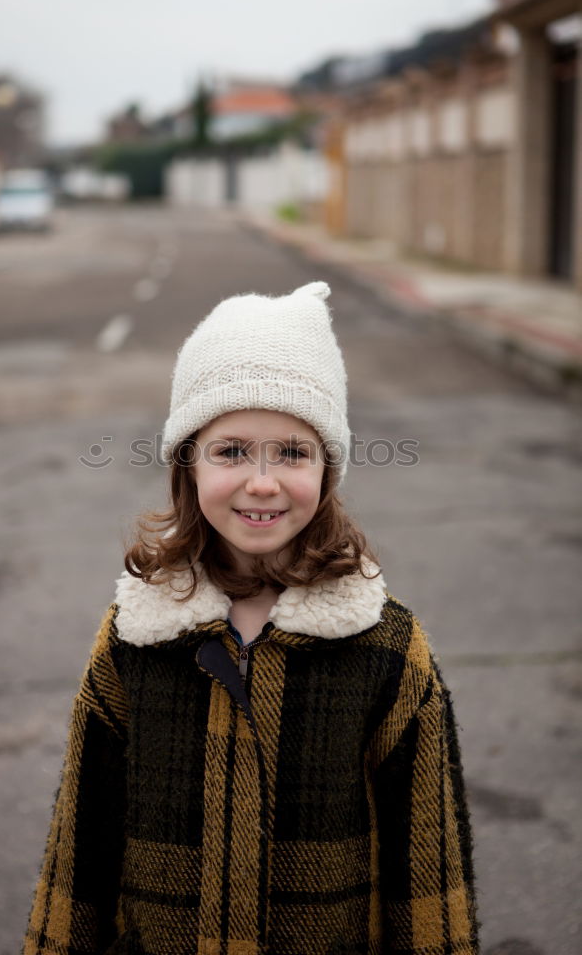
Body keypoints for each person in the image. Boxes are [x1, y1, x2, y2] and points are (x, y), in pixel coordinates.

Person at [23, 282, 479, 955]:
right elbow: (79, 847)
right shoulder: (135, 637)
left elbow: (430, 873)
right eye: (231, 451)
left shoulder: (386, 648)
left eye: (291, 453)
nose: (261, 481)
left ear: (328, 471)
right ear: (188, 466)